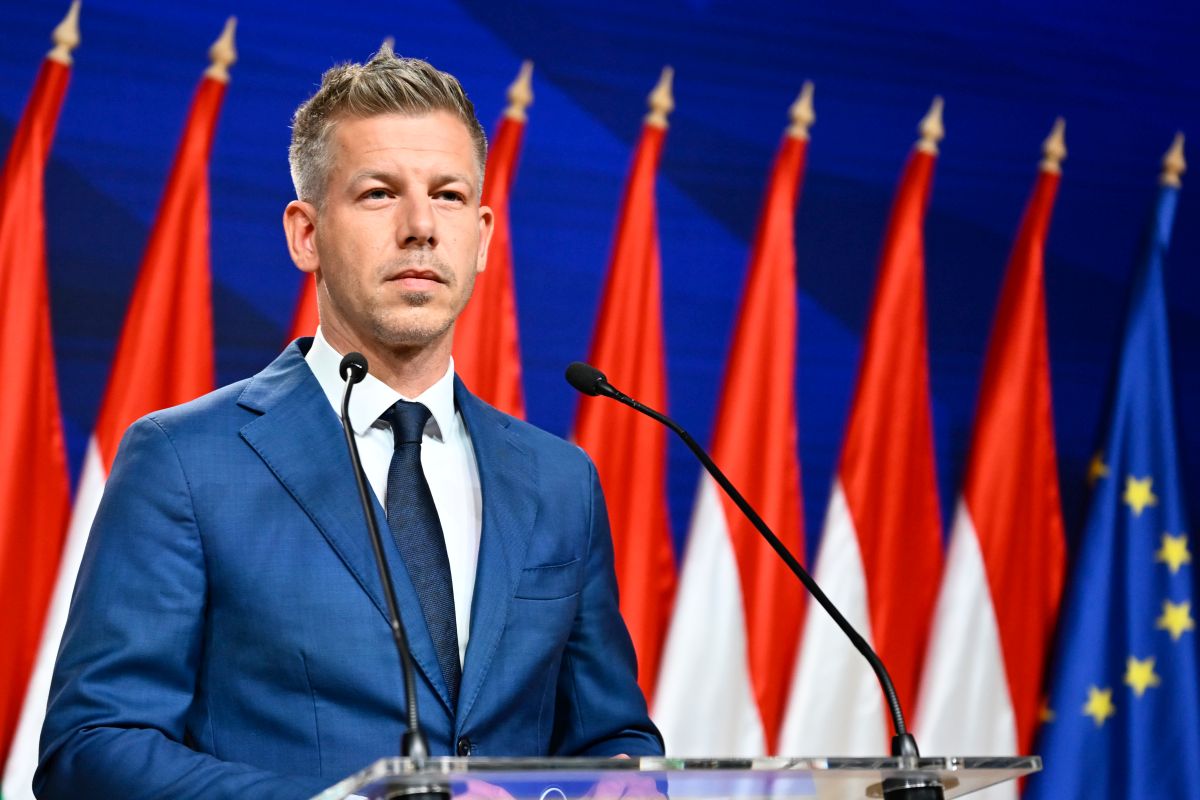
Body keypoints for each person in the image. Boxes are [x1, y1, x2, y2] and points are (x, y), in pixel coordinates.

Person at [35, 46, 663, 800]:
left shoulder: (560, 482)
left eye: (449, 195)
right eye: (378, 193)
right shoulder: (184, 462)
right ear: (306, 234)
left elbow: (610, 734)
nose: (421, 226)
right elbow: (92, 748)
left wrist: (629, 782)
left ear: (483, 236)